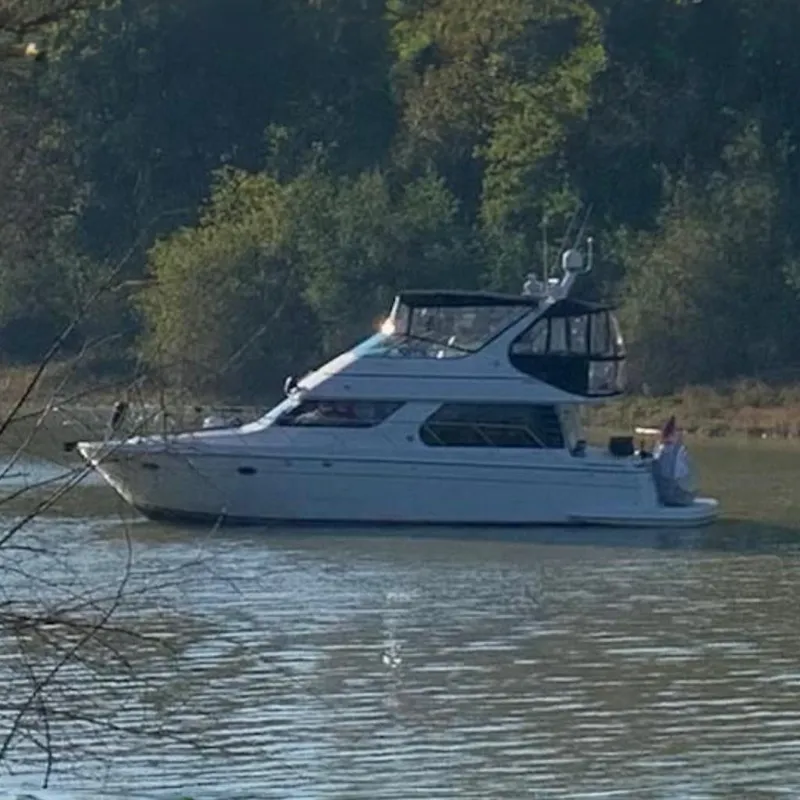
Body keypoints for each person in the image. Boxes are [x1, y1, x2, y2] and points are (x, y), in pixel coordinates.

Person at [652, 415, 696, 506]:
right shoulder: (678, 451)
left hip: (660, 494)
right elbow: (681, 474)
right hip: (674, 497)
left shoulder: (658, 449)